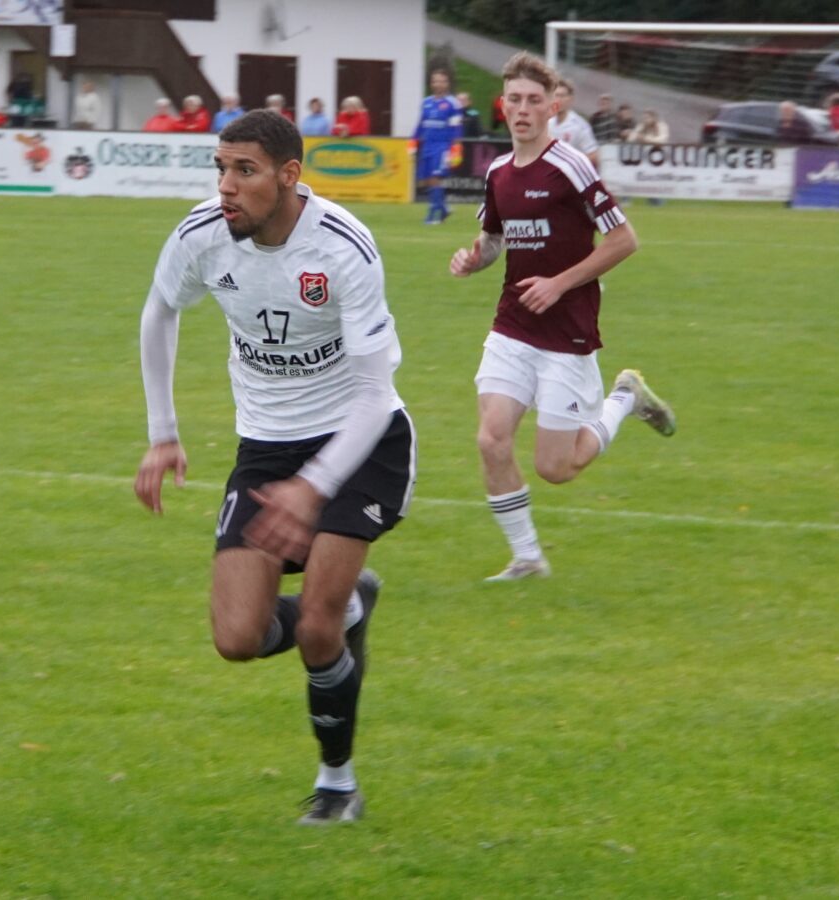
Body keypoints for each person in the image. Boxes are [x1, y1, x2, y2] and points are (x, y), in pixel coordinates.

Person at [135, 110, 415, 825]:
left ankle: (337, 785)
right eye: (221, 168)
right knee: (237, 638)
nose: (226, 186)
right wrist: (163, 434)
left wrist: (313, 487)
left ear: (289, 176)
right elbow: (160, 309)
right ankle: (354, 604)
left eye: (245, 171)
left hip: (360, 440)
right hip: (265, 448)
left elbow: (375, 393)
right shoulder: (202, 234)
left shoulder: (343, 247)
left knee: (318, 629)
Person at [448, 52, 675, 581]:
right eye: (514, 100)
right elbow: (493, 240)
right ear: (503, 106)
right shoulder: (498, 172)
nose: (523, 109)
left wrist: (559, 283)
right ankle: (528, 558)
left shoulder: (571, 166)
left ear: (552, 107)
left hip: (567, 332)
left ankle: (625, 398)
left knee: (556, 467)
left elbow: (624, 240)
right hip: (512, 326)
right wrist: (474, 259)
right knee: (491, 440)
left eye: (534, 100)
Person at [411, 70, 463, 225]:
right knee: (427, 180)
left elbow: (457, 127)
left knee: (435, 178)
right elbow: (421, 124)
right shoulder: (426, 102)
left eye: (441, 81)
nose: (438, 84)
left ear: (447, 84)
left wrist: (456, 148)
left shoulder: (452, 104)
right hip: (427, 145)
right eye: (435, 81)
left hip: (442, 146)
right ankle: (444, 208)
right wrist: (413, 142)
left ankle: (434, 213)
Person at [547, 79, 599, 166]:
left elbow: (593, 156)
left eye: (562, 96)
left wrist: (571, 165)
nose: (558, 100)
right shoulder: (548, 122)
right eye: (556, 95)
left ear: (571, 99)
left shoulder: (579, 126)